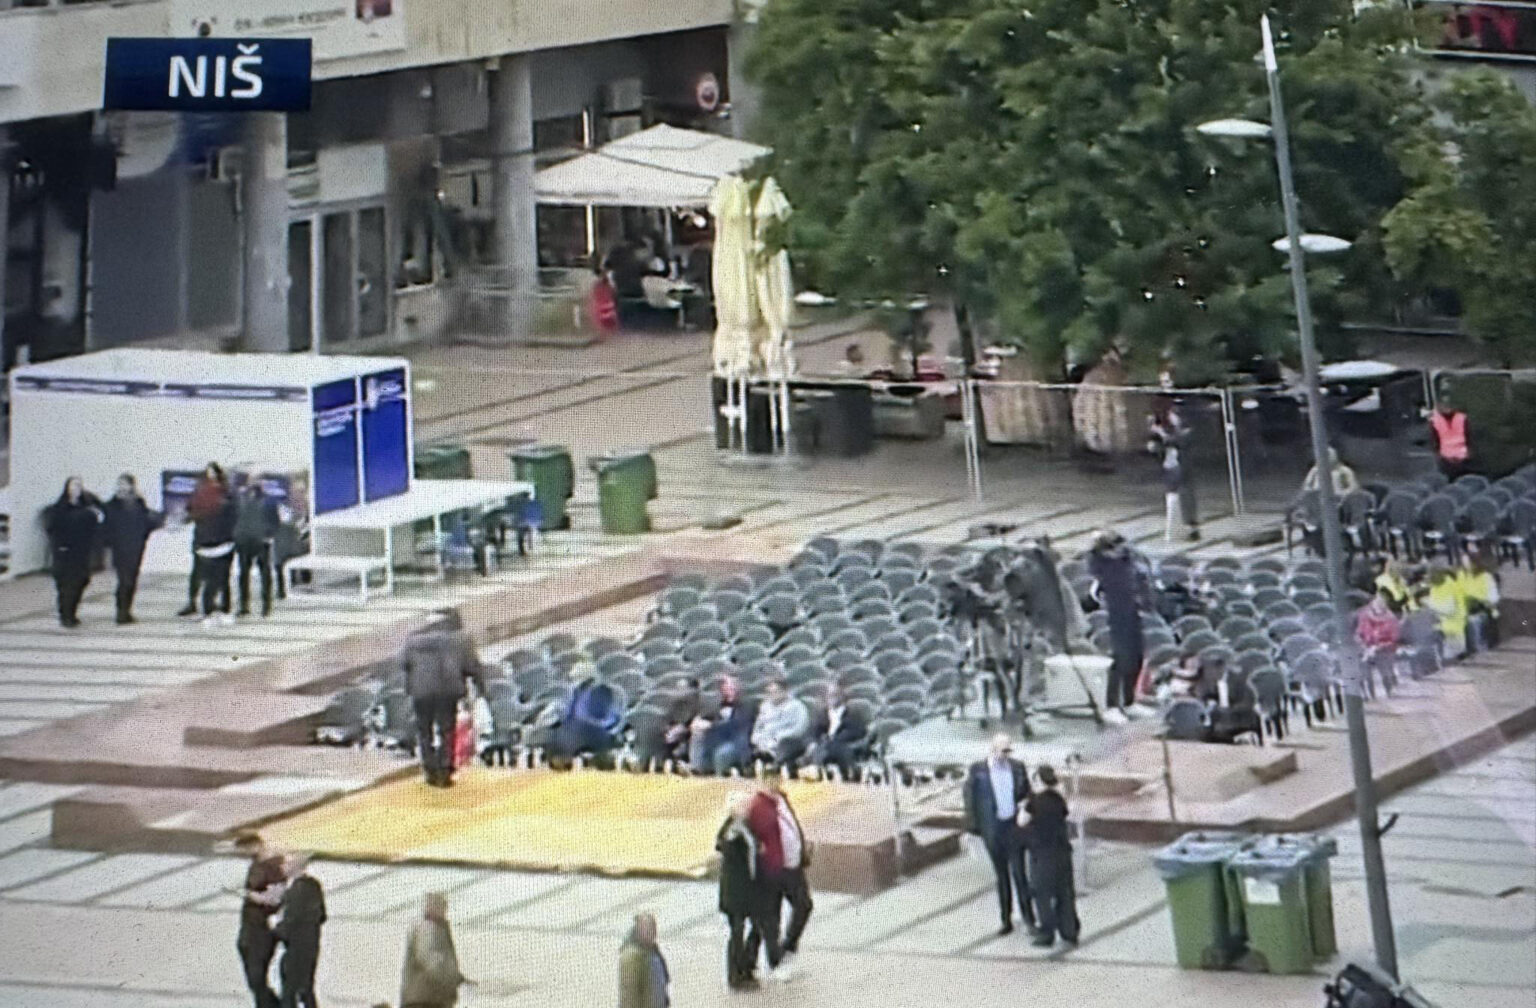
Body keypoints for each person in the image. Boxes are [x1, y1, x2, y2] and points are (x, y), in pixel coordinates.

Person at [402, 610, 486, 788]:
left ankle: (429, 769)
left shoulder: (412, 641)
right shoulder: (460, 639)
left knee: (424, 731)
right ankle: (444, 770)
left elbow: (403, 664)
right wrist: (481, 689)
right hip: (448, 690)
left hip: (420, 691)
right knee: (446, 730)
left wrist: (410, 687)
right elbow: (473, 666)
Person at [963, 733, 1035, 937]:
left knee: (1020, 874)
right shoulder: (978, 771)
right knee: (1001, 876)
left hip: (1013, 826)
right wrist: (974, 828)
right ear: (993, 749)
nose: (1007, 755)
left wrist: (1025, 810)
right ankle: (1006, 919)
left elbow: (1026, 793)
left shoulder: (1017, 768)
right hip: (993, 829)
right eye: (1004, 750)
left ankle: (1029, 918)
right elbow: (969, 800)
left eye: (1009, 750)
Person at [746, 768, 813, 975]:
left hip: (792, 865)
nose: (775, 783)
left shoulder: (781, 800)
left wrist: (801, 849)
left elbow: (791, 826)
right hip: (773, 868)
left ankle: (787, 948)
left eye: (777, 779)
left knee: (803, 905)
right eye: (770, 780)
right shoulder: (758, 806)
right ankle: (768, 961)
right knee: (769, 918)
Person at [1087, 530, 1150, 724]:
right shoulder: (1102, 566)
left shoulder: (1128, 562)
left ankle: (1130, 701)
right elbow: (1096, 592)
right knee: (1121, 659)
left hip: (1133, 613)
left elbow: (1139, 580)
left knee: (1137, 657)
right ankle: (1111, 706)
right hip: (1117, 615)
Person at [1020, 764, 1079, 948]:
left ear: (1038, 780)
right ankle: (1069, 932)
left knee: (1042, 895)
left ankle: (1047, 934)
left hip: (1043, 855)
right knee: (1065, 894)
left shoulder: (1034, 802)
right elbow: (1067, 814)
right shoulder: (1058, 799)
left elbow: (1021, 821)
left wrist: (1024, 805)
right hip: (1062, 852)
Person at [715, 794, 770, 990]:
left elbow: (754, 847)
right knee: (737, 932)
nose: (746, 809)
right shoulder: (731, 831)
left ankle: (747, 965)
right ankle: (736, 975)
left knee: (759, 925)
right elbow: (725, 844)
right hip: (735, 893)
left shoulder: (747, 827)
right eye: (742, 806)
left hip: (751, 889)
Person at [232, 832, 287, 1008]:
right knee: (254, 979)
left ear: (256, 845)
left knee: (256, 977)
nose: (245, 854)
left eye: (246, 849)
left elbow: (275, 898)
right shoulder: (256, 864)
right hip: (249, 926)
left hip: (261, 929)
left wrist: (250, 895)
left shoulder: (274, 867)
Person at [42, 476, 104, 628]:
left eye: (78, 486)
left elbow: (98, 522)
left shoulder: (87, 507)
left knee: (81, 580)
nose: (76, 489)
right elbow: (53, 529)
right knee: (66, 585)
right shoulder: (60, 508)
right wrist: (60, 546)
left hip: (81, 552)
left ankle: (71, 612)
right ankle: (66, 615)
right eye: (73, 486)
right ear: (67, 488)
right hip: (65, 552)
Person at [180, 463, 237, 625]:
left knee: (218, 579)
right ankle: (207, 608)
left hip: (218, 543)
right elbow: (189, 513)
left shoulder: (226, 496)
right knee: (208, 578)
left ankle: (219, 608)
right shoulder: (204, 496)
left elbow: (233, 518)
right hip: (208, 543)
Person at [101, 474, 162, 625]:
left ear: (131, 486)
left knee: (132, 580)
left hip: (135, 548)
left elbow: (145, 523)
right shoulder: (111, 506)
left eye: (125, 484)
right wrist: (106, 547)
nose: (122, 487)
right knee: (125, 580)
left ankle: (126, 610)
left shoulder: (138, 504)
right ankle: (121, 612)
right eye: (120, 484)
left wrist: (154, 525)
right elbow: (106, 529)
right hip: (119, 548)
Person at [400, 892, 473, 1008]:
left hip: (428, 1000)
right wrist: (453, 977)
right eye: (440, 906)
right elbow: (429, 958)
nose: (443, 911)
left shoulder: (438, 929)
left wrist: (457, 978)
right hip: (425, 999)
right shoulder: (427, 928)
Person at [547, 661, 624, 768]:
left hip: (596, 731)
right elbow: (569, 714)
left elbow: (608, 718)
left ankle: (602, 758)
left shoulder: (600, 691)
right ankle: (562, 758)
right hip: (576, 730)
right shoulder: (576, 692)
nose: (574, 681)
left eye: (577, 678)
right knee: (556, 733)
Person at [273, 853, 326, 1008]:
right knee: (306, 987)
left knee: (289, 989)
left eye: (287, 864)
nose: (283, 867)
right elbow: (322, 915)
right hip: (311, 945)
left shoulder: (297, 889)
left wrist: (276, 930)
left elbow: (291, 920)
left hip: (296, 947)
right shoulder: (313, 885)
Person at [1149, 402, 1199, 542]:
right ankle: (1178, 528)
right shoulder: (1158, 422)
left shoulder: (1183, 421)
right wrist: (1156, 444)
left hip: (1181, 462)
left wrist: (1165, 437)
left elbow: (1184, 438)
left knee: (1185, 495)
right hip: (1170, 463)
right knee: (1172, 496)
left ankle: (1191, 527)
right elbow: (1154, 444)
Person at [233, 481, 281, 618]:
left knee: (264, 574)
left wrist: (268, 536)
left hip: (260, 542)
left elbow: (275, 522)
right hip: (245, 542)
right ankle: (245, 605)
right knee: (244, 575)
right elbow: (236, 521)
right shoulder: (241, 502)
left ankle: (266, 605)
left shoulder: (268, 503)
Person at [692, 675, 755, 776]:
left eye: (731, 689)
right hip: (719, 739)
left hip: (736, 742)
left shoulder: (745, 706)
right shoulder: (720, 706)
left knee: (721, 753)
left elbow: (734, 726)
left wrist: (710, 725)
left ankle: (720, 776)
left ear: (737, 690)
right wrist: (698, 722)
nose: (728, 692)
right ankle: (696, 770)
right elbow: (708, 717)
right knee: (698, 734)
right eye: (725, 689)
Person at [635, 679, 700, 772]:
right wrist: (667, 727)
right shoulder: (675, 704)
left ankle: (669, 762)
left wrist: (681, 728)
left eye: (683, 688)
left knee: (672, 735)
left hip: (687, 731)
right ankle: (649, 762)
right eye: (678, 688)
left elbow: (692, 722)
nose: (680, 691)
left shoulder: (697, 704)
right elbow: (668, 718)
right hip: (671, 730)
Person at [750, 677, 812, 774]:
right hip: (765, 742)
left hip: (787, 741)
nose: (772, 695)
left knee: (786, 744)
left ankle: (776, 765)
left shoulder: (797, 706)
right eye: (769, 692)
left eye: (776, 692)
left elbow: (799, 728)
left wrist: (777, 738)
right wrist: (757, 738)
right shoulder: (765, 706)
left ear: (785, 691)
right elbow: (758, 727)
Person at [807, 683, 867, 782]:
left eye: (835, 695)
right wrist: (813, 742)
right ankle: (816, 771)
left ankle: (847, 775)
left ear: (842, 696)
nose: (831, 698)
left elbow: (857, 731)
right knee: (815, 748)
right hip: (825, 745)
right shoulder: (823, 714)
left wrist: (834, 738)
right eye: (829, 695)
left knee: (831, 748)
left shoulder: (852, 713)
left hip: (843, 745)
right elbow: (814, 731)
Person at [618, 912, 670, 1008]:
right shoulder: (632, 957)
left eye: (653, 930)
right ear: (639, 931)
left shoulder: (654, 951)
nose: (653, 933)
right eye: (648, 930)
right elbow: (629, 996)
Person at [1356, 591, 1401, 695]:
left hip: (1385, 649)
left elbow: (1394, 638)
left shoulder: (1391, 618)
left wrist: (1379, 646)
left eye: (1382, 602)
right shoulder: (1364, 615)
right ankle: (1370, 694)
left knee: (1384, 669)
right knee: (1364, 669)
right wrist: (1363, 645)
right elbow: (1359, 632)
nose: (1379, 604)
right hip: (1367, 647)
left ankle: (1389, 689)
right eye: (1376, 602)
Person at [1456, 552, 1501, 653]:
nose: (1466, 565)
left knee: (1476, 622)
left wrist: (1481, 600)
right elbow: (1458, 593)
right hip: (1465, 611)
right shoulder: (1461, 575)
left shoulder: (1485, 576)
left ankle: (1482, 649)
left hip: (1483, 610)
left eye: (1468, 562)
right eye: (1463, 562)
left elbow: (1493, 597)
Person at [1424, 564, 1469, 659]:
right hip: (1443, 624)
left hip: (1455, 623)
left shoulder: (1451, 585)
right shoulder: (1434, 588)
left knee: (1454, 653)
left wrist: (1430, 605)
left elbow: (1449, 610)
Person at [1429, 400, 1471, 480]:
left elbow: (1468, 434)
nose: (1446, 408)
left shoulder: (1461, 418)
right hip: (1448, 456)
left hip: (1459, 455)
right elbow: (1434, 438)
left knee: (1460, 477)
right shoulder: (1435, 420)